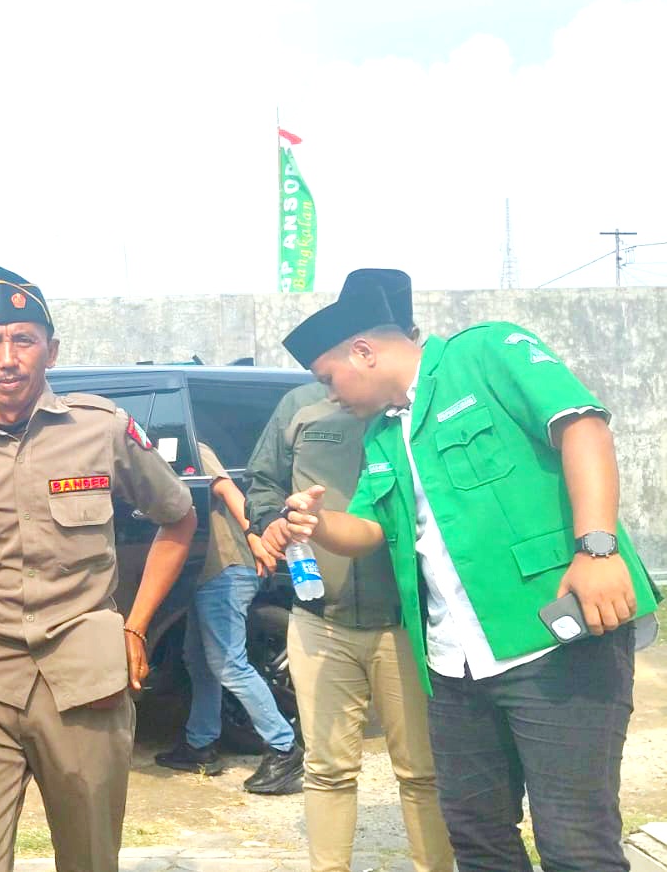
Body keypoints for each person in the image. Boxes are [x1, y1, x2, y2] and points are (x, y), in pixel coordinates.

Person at [280, 276, 657, 872]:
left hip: (551, 639)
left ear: (364, 351)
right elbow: (371, 529)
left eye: (328, 378)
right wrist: (317, 523)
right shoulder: (383, 434)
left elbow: (582, 426)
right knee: (477, 838)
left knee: (574, 841)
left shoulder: (485, 352)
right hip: (453, 668)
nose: (330, 395)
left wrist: (598, 549)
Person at [0, 267, 198, 872]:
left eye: (25, 339)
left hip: (86, 675)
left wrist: (137, 625)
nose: (8, 358)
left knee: (90, 856)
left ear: (52, 349)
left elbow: (178, 519)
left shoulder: (103, 429)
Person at [247, 269, 452, 872]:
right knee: (327, 768)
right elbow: (262, 484)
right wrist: (271, 527)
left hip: (406, 622)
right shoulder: (298, 405)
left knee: (421, 770)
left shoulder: (422, 409)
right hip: (320, 619)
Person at [155, 440, 302, 794]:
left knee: (227, 664)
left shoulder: (195, 447)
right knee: (200, 660)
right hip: (204, 574)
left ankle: (283, 748)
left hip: (226, 568)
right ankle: (199, 744)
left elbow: (226, 488)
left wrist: (254, 537)